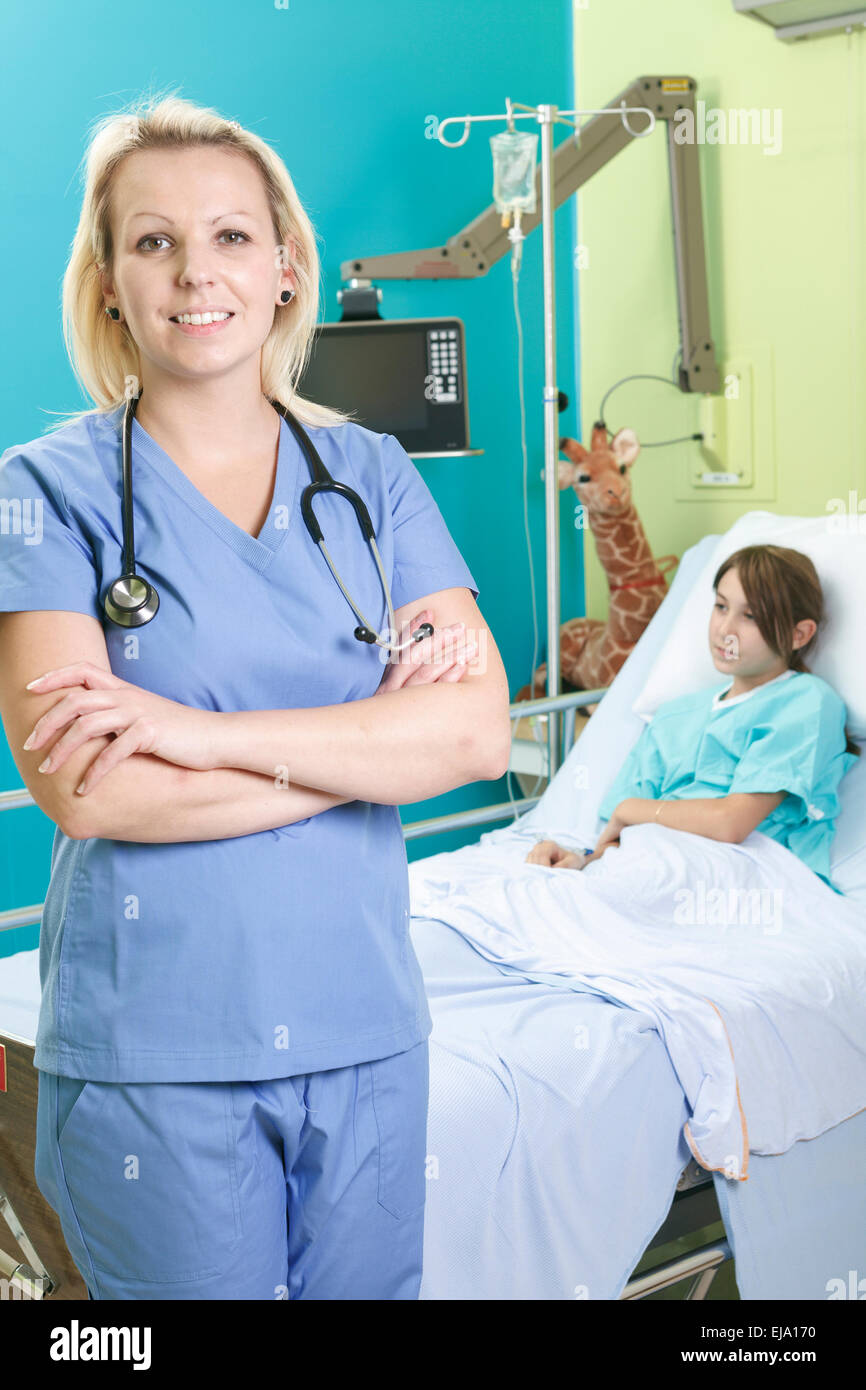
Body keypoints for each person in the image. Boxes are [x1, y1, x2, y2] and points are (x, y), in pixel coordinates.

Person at [0, 93, 511, 1300]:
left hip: (368, 1033)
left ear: (285, 268)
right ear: (109, 278)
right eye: (154, 240)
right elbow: (91, 786)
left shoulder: (369, 474)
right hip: (158, 1052)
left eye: (231, 236)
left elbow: (474, 730)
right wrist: (367, 742)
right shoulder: (40, 492)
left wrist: (188, 732)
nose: (196, 274)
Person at [526, 544, 859, 893]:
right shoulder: (674, 716)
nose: (725, 630)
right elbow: (617, 840)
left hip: (745, 879)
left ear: (799, 634)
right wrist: (580, 860)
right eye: (721, 606)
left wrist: (633, 810)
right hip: (652, 866)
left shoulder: (806, 703)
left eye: (751, 616)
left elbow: (731, 823)